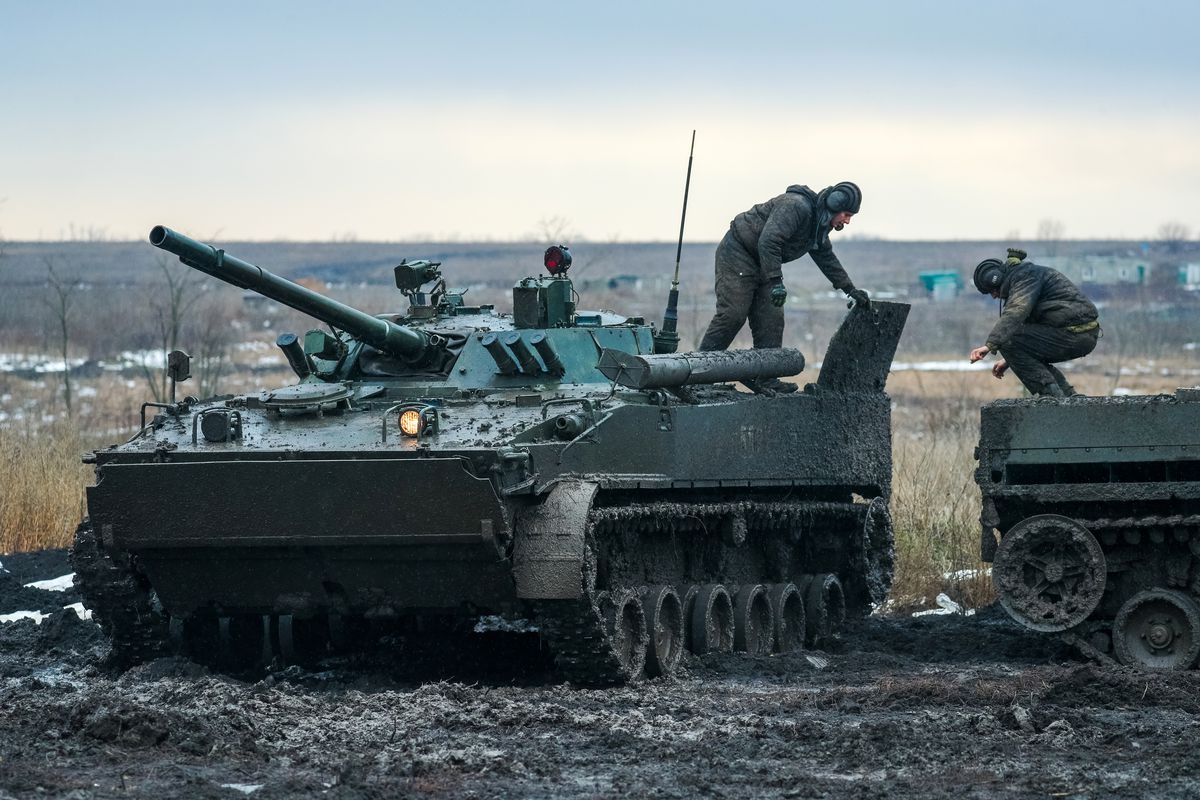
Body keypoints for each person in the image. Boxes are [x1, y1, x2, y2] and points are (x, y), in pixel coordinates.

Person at [698, 181, 870, 393]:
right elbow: (769, 241)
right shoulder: (796, 206)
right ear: (834, 205)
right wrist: (775, 282)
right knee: (733, 314)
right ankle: (700, 375)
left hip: (764, 262)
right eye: (846, 214)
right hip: (739, 253)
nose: (847, 221)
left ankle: (766, 379)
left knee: (772, 318)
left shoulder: (818, 225)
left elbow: (826, 257)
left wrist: (849, 289)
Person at [968, 247, 1100, 397]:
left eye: (991, 291)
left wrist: (989, 345)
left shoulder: (1025, 277)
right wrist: (1010, 359)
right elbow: (1028, 339)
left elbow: (1016, 312)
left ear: (996, 278)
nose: (993, 296)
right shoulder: (1024, 277)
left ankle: (1053, 397)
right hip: (1079, 333)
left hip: (1075, 333)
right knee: (1011, 340)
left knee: (1007, 338)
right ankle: (1067, 396)